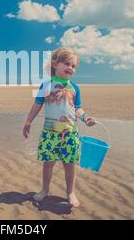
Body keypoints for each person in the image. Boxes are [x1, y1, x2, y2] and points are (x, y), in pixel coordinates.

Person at [22, 47, 95, 208]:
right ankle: (44, 190)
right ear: (55, 64)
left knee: (69, 165)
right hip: (50, 134)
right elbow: (37, 104)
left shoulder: (75, 88)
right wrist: (28, 122)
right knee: (48, 163)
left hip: (69, 134)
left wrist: (85, 118)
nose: (70, 68)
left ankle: (70, 192)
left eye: (73, 66)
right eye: (67, 63)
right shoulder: (45, 85)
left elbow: (78, 109)